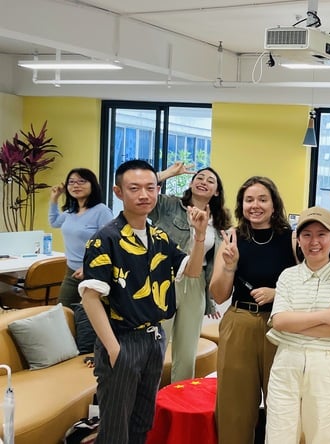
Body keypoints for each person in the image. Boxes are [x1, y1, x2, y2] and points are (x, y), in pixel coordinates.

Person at [78, 159, 208, 444]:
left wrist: (199, 236)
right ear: (118, 192)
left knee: (142, 421)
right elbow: (90, 298)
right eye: (134, 188)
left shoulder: (158, 236)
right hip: (122, 338)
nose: (144, 195)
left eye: (150, 188)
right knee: (115, 428)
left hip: (154, 338)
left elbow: (192, 270)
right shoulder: (105, 239)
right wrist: (114, 349)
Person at [208, 176, 297, 444]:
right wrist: (229, 266)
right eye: (249, 200)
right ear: (241, 205)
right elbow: (219, 294)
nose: (255, 205)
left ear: (274, 204)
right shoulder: (232, 238)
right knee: (234, 406)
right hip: (240, 323)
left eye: (262, 199)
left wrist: (277, 294)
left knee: (282, 403)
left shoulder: (291, 238)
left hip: (281, 326)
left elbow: (306, 286)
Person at [264, 206, 330, 444]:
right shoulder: (288, 276)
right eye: (306, 235)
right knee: (279, 435)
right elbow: (279, 321)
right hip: (287, 362)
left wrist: (295, 322)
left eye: (321, 234)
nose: (314, 242)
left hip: (327, 363)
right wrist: (326, 315)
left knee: (322, 435)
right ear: (298, 240)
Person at [151, 162, 231, 383]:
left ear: (216, 192)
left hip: (196, 283)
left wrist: (209, 298)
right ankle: (147, 396)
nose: (204, 182)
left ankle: (180, 397)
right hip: (164, 279)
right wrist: (168, 173)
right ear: (191, 183)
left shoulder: (220, 223)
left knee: (187, 351)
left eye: (210, 180)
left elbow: (213, 263)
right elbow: (143, 190)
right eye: (200, 177)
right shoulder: (169, 205)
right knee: (156, 344)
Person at [48, 168, 113, 307]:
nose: (75, 185)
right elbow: (54, 222)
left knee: (90, 313)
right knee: (63, 310)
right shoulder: (70, 212)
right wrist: (54, 198)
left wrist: (87, 267)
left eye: (81, 181)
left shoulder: (102, 211)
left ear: (92, 185)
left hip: (94, 271)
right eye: (71, 182)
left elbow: (109, 243)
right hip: (72, 271)